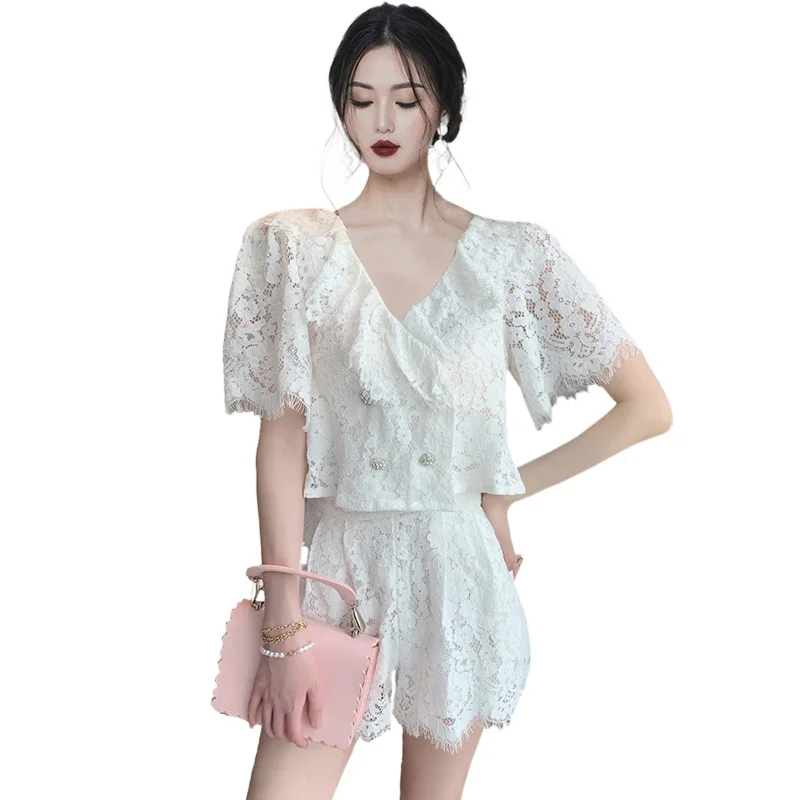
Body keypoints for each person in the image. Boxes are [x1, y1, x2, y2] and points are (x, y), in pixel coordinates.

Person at [221, 4, 672, 799]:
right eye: (361, 99)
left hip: (458, 573)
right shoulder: (294, 248)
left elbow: (646, 406)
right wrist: (283, 627)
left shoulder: (512, 255)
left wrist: (503, 492)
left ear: (445, 109)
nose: (382, 121)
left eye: (407, 98)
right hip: (337, 575)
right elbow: (281, 444)